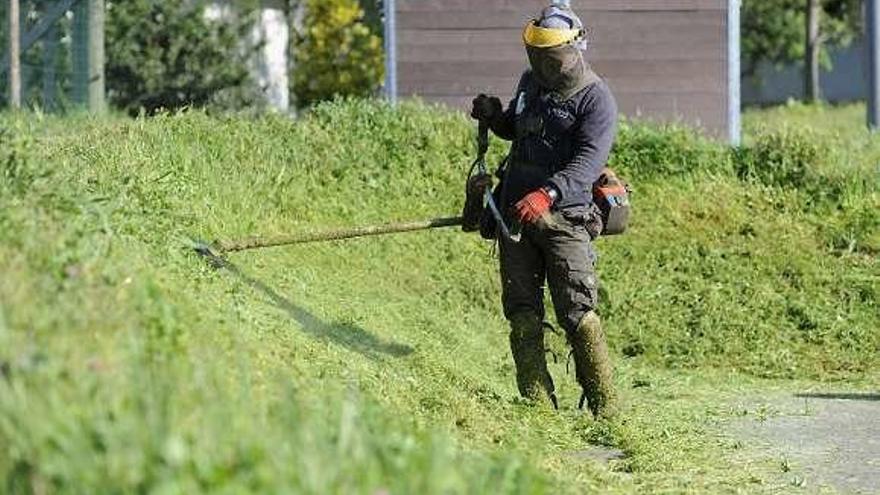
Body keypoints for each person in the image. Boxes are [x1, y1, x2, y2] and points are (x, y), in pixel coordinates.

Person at [469, 1, 618, 417]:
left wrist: (547, 195)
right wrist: (495, 115)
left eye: (550, 57)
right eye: (537, 56)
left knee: (579, 316)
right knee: (523, 315)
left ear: (575, 48)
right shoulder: (530, 82)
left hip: (565, 219)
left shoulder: (597, 100)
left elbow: (587, 163)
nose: (542, 65)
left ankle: (606, 412)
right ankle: (538, 407)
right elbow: (516, 129)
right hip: (516, 216)